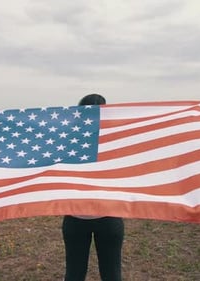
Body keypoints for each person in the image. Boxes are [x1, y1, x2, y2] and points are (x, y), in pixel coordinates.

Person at [62, 93, 125, 281]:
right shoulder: (115, 142)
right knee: (112, 273)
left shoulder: (69, 142)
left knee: (74, 272)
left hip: (75, 217)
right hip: (109, 216)